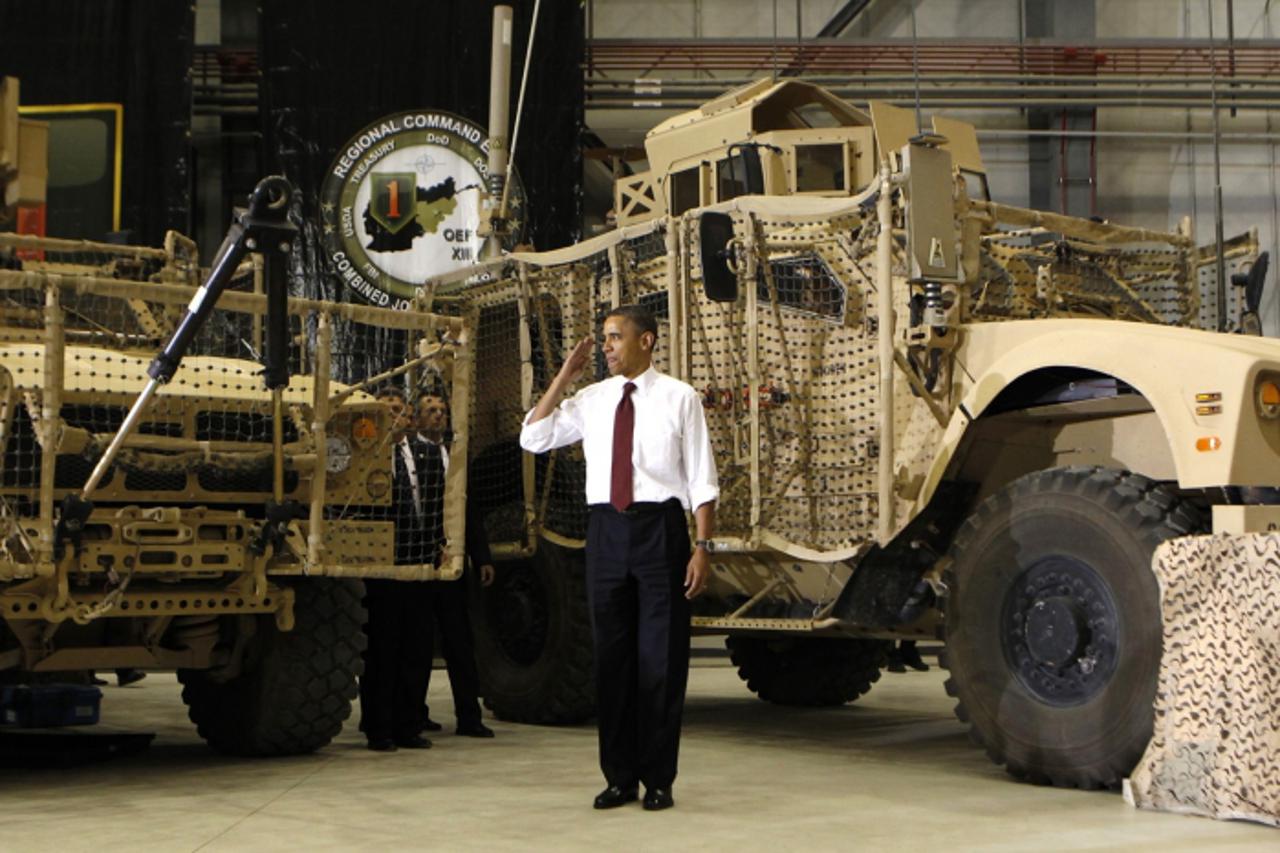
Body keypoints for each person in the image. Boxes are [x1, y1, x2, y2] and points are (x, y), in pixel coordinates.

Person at [520, 305, 719, 812]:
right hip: (606, 531)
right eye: (603, 338)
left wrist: (702, 546)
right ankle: (619, 778)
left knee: (661, 660)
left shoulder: (680, 398)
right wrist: (564, 376)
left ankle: (659, 780)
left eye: (614, 338)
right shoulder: (591, 399)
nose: (605, 347)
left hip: (661, 532)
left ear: (646, 341)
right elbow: (533, 436)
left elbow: (701, 478)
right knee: (611, 662)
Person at [415, 390, 497, 739]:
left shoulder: (456, 456)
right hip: (420, 564)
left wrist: (482, 557)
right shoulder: (411, 456)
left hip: (455, 565)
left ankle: (469, 715)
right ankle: (414, 713)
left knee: (460, 642)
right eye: (430, 411)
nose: (438, 416)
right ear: (418, 418)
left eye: (442, 411)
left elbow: (470, 511)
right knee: (417, 644)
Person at [357, 387, 434, 752]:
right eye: (387, 410)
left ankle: (409, 724)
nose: (395, 416)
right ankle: (379, 727)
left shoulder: (424, 454)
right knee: (383, 650)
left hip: (418, 562)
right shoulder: (368, 456)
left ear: (410, 419)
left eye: (400, 411)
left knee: (415, 648)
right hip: (382, 564)